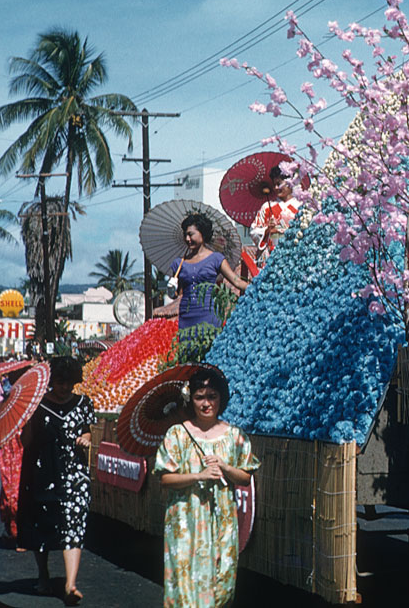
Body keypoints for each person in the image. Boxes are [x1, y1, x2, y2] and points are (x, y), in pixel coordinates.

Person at [155, 367, 260, 608]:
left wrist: (225, 467)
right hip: (185, 520)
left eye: (212, 396)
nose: (206, 403)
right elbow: (165, 479)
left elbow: (245, 477)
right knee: (185, 586)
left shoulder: (235, 436)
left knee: (221, 584)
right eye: (199, 397)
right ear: (190, 399)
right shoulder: (177, 434)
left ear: (221, 398)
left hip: (221, 520)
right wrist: (198, 476)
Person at [17, 357, 95, 605]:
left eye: (69, 383)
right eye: (60, 383)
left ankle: (70, 584)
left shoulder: (84, 403)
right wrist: (28, 418)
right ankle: (43, 574)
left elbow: (86, 430)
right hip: (43, 472)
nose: (64, 389)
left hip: (74, 474)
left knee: (74, 525)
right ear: (51, 382)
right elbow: (26, 443)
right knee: (43, 525)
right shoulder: (36, 405)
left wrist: (86, 438)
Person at [170, 213, 248, 331]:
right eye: (185, 235)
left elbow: (236, 281)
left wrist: (256, 287)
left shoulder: (216, 258)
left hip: (209, 314)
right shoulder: (179, 263)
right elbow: (176, 294)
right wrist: (171, 290)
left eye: (191, 234)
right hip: (186, 316)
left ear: (202, 233)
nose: (187, 239)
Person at [0, 367, 28, 550]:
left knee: (12, 489)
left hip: (15, 451)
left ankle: (15, 530)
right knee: (15, 490)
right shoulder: (18, 403)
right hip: (15, 451)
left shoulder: (9, 402)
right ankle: (17, 532)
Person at [249, 165, 302, 269]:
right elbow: (254, 231)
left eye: (279, 184)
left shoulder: (300, 206)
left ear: (289, 183)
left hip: (295, 253)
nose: (276, 188)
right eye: (274, 185)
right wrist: (267, 230)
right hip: (271, 253)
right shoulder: (267, 207)